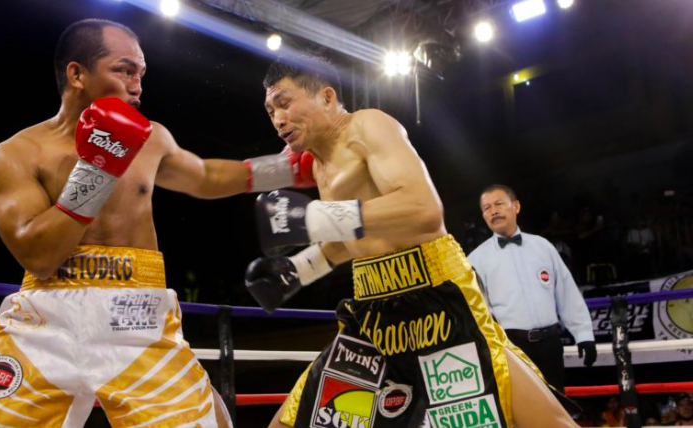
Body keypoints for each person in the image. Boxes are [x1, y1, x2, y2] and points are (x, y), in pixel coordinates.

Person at [0, 18, 316, 428]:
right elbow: (38, 256)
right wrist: (98, 169)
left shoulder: (150, 138)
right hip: (47, 318)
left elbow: (206, 177)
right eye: (125, 70)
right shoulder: (16, 154)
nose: (137, 84)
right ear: (77, 74)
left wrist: (288, 170)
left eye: (141, 73)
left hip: (138, 314)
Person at [244, 55, 580, 428]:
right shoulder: (320, 164)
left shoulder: (368, 126)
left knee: (543, 421)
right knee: (292, 422)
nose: (277, 119)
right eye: (270, 110)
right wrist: (298, 269)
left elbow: (423, 209)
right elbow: (355, 232)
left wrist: (312, 218)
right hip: (372, 315)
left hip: (436, 300)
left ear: (326, 96)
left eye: (284, 103)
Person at [467, 184, 597, 393]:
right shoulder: (475, 259)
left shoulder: (542, 246)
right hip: (511, 348)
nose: (493, 211)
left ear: (516, 206)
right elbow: (479, 312)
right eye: (486, 208)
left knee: (557, 411)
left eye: (499, 204)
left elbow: (566, 292)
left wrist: (583, 335)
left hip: (550, 344)